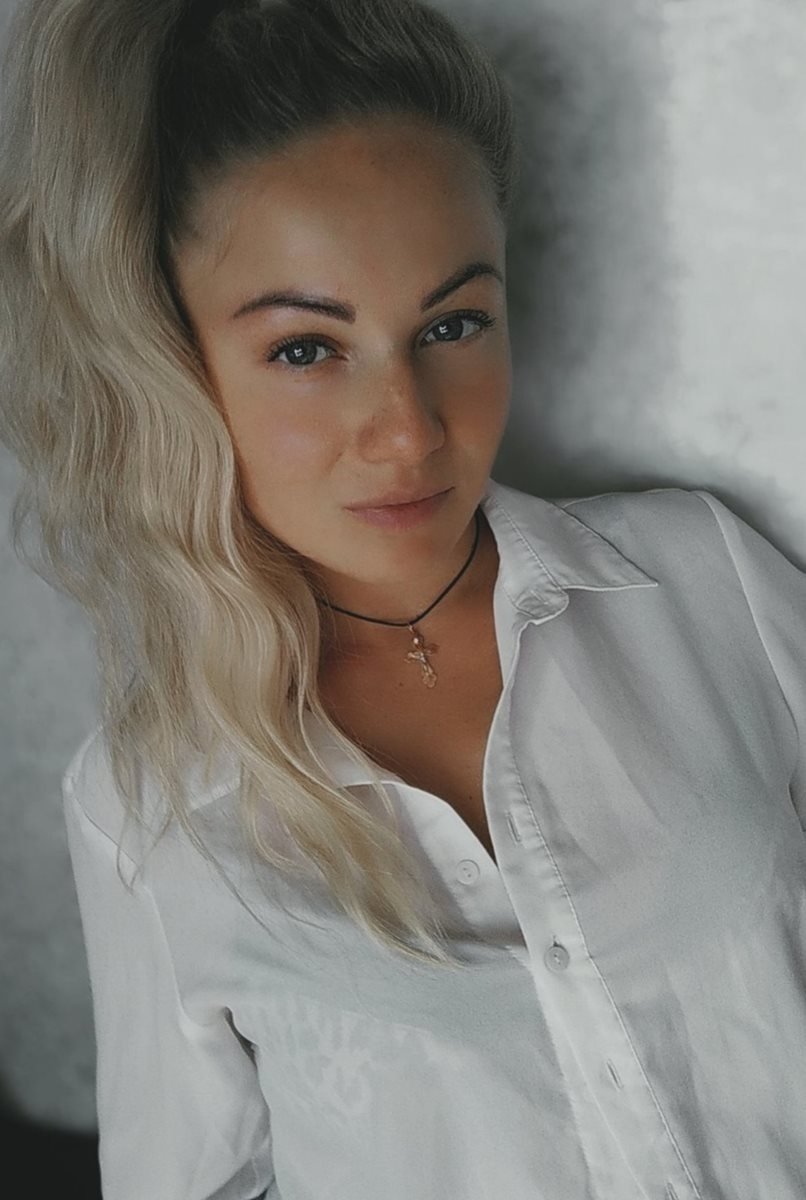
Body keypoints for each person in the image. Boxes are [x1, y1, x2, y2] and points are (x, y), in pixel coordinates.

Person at [1, 1, 805, 1198]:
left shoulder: (706, 581)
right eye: (306, 349)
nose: (408, 430)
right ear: (172, 367)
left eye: (451, 322)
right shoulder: (148, 806)